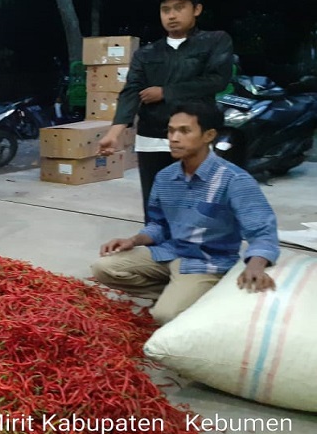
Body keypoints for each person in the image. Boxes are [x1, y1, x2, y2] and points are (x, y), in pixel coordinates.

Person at [91, 100, 279, 325]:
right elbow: (158, 225)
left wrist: (255, 266)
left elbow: (262, 232)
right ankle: (179, 292)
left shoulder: (234, 180)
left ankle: (198, 292)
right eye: (170, 131)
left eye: (184, 131)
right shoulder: (166, 177)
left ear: (209, 135)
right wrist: (133, 240)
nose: (174, 138)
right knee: (103, 268)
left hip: (207, 262)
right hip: (170, 253)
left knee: (164, 315)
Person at [97, 0, 234, 220]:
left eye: (179, 7)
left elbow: (216, 80)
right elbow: (131, 91)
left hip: (195, 137)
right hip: (152, 138)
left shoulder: (215, 41)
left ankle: (196, 250)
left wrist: (166, 92)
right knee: (155, 203)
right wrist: (114, 132)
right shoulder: (146, 53)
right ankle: (158, 249)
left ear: (197, 10)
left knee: (199, 202)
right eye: (166, 9)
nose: (171, 15)